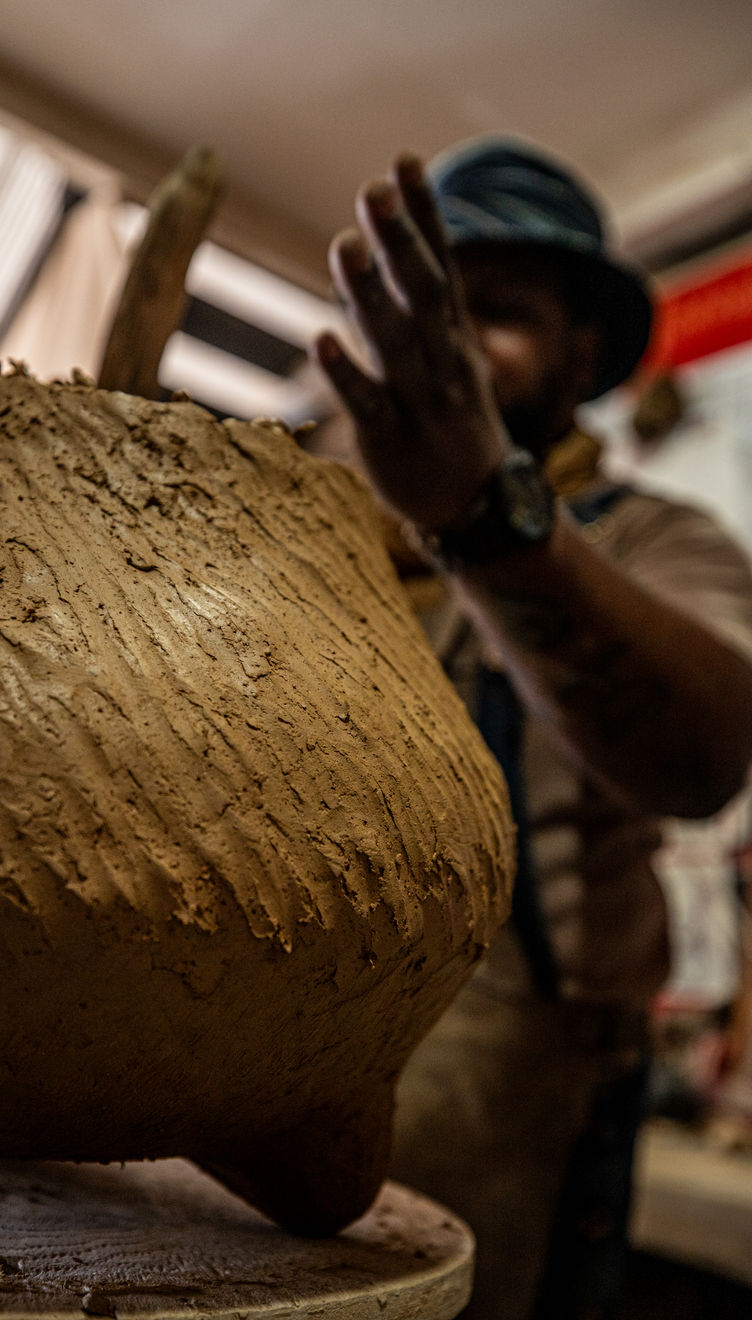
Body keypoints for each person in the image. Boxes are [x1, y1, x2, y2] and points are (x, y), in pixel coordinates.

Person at [311, 139, 752, 1320]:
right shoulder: (312, 530)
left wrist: (485, 517)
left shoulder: (658, 545)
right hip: (255, 1066)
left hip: (517, 1099)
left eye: (492, 313)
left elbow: (703, 763)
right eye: (425, 309)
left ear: (585, 354)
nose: (446, 343)